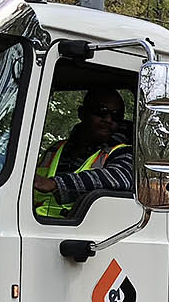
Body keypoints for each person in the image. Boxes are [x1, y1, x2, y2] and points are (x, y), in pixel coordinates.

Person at [34, 88, 133, 220]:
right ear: (82, 113)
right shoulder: (56, 149)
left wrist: (55, 184)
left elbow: (120, 178)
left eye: (116, 116)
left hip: (78, 231)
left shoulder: (122, 152)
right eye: (102, 112)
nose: (108, 120)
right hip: (34, 222)